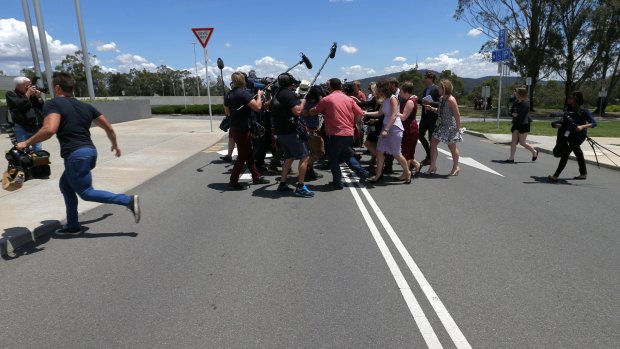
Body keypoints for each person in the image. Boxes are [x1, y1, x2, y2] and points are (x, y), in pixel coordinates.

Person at [15, 72, 140, 236]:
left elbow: (49, 129)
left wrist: (26, 142)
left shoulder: (53, 104)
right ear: (72, 88)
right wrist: (115, 145)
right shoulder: (86, 106)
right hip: (89, 152)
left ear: (57, 87)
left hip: (76, 155)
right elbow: (108, 128)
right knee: (66, 186)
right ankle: (72, 225)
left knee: (86, 192)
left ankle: (128, 201)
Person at [311, 78, 370, 190]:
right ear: (341, 87)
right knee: (347, 155)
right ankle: (363, 173)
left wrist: (308, 110)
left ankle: (337, 182)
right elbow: (359, 113)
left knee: (333, 159)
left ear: (330, 87)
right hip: (348, 133)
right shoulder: (349, 99)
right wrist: (353, 124)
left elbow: (315, 111)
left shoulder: (327, 99)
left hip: (335, 134)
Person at [224, 72, 270, 190]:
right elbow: (258, 107)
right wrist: (259, 95)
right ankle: (233, 181)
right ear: (243, 81)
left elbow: (227, 112)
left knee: (248, 154)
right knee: (243, 155)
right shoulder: (243, 93)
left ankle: (256, 177)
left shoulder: (229, 94)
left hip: (235, 128)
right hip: (243, 129)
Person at [271, 73, 314, 197]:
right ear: (290, 82)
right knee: (304, 156)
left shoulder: (277, 93)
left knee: (289, 157)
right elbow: (298, 111)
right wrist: (303, 102)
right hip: (290, 131)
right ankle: (300, 187)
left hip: (281, 131)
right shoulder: (288, 94)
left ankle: (282, 184)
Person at [363, 79, 412, 184]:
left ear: (383, 89)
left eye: (378, 89)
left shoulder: (393, 99)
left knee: (396, 153)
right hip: (386, 127)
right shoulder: (385, 99)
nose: (377, 91)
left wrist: (386, 129)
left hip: (394, 128)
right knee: (380, 152)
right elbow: (379, 113)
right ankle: (378, 175)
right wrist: (365, 113)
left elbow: (394, 115)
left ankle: (407, 172)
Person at [548, 91, 597, 183]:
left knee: (566, 153)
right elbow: (564, 122)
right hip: (569, 135)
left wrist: (582, 126)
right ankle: (583, 174)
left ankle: (555, 176)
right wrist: (555, 124)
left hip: (579, 136)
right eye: (568, 97)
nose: (568, 99)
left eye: (570, 98)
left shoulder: (584, 111)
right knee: (578, 152)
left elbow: (594, 123)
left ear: (576, 100)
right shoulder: (567, 109)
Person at [424, 79, 462, 176]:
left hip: (450, 127)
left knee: (452, 147)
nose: (438, 89)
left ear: (444, 88)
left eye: (440, 87)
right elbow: (440, 111)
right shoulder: (442, 98)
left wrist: (458, 128)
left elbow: (457, 114)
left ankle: (456, 167)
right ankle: (433, 166)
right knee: (432, 144)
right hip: (441, 126)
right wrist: (431, 108)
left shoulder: (451, 99)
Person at [5, 76, 44, 151]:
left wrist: (38, 97)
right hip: (21, 127)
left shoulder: (31, 95)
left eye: (30, 85)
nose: (29, 87)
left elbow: (41, 107)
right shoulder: (11, 94)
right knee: (23, 150)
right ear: (18, 85)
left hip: (35, 127)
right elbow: (19, 104)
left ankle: (39, 163)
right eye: (27, 85)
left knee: (38, 149)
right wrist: (28, 93)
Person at [504, 87, 538, 163]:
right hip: (516, 123)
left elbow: (521, 114)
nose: (514, 93)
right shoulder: (516, 102)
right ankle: (511, 158)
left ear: (520, 94)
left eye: (516, 92)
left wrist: (514, 114)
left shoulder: (526, 103)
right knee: (513, 141)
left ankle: (534, 152)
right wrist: (513, 114)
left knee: (522, 142)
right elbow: (512, 111)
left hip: (524, 124)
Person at [301, 85, 326, 181]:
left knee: (309, 152)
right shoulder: (316, 104)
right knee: (319, 152)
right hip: (312, 130)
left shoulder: (304, 102)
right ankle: (305, 166)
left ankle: (309, 171)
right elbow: (312, 112)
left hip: (304, 129)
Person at [417, 71, 440, 167]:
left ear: (431, 78)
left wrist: (430, 103)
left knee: (431, 139)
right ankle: (429, 156)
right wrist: (417, 99)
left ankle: (429, 158)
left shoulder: (437, 89)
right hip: (424, 117)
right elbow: (423, 102)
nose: (424, 79)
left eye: (426, 78)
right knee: (420, 135)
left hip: (433, 118)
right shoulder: (425, 89)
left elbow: (440, 103)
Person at [398, 82, 421, 174]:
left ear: (406, 91)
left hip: (410, 128)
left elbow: (404, 116)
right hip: (408, 127)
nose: (400, 93)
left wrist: (394, 112)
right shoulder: (410, 99)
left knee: (406, 152)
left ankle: (406, 173)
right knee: (408, 151)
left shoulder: (410, 101)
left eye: (401, 91)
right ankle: (416, 165)